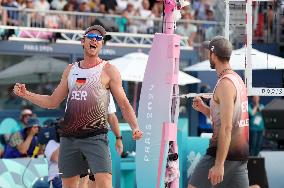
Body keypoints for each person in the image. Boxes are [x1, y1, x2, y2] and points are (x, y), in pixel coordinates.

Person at [13, 25, 142, 188]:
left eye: (99, 38)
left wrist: (135, 127)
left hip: (95, 136)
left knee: (104, 184)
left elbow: (123, 103)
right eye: (91, 37)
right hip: (70, 138)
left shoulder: (108, 70)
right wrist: (26, 94)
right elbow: (52, 101)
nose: (95, 40)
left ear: (101, 45)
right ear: (83, 41)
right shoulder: (70, 70)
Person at [188, 36, 249, 188]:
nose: (208, 55)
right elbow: (225, 119)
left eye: (209, 52)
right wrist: (204, 109)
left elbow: (227, 127)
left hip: (221, 153)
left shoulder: (225, 84)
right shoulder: (237, 80)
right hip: (239, 155)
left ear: (213, 56)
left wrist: (219, 164)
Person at [45, 94, 123, 188]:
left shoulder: (105, 92)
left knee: (98, 177)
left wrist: (119, 138)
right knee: (83, 177)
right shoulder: (75, 88)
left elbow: (112, 116)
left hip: (96, 138)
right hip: (79, 139)